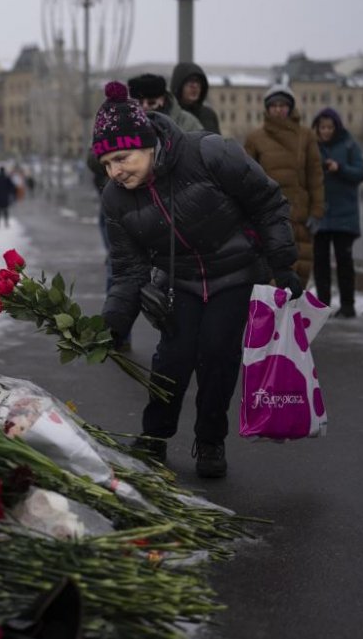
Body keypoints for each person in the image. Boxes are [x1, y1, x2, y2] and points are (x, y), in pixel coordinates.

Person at [94, 81, 300, 478]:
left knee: (217, 355)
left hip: (235, 272)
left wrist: (283, 263)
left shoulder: (208, 152)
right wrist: (112, 324)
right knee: (172, 358)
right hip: (180, 280)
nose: (114, 172)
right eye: (106, 164)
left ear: (148, 144)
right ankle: (154, 436)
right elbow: (129, 269)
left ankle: (209, 441)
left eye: (121, 158)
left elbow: (267, 201)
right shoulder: (115, 198)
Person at [244, 83, 324, 288]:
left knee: (299, 275)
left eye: (283, 105)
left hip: (299, 216)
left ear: (290, 108)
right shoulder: (255, 138)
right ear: (267, 108)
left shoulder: (306, 136)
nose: (279, 109)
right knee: (270, 277)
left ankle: (294, 308)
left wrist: (317, 211)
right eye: (274, 105)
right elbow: (245, 179)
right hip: (267, 217)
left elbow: (315, 175)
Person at [311, 107, 363, 317]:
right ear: (317, 128)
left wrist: (340, 168)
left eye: (330, 127)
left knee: (344, 261)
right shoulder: (312, 146)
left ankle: (347, 305)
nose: (326, 131)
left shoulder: (349, 145)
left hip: (345, 214)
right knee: (320, 262)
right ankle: (322, 305)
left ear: (336, 128)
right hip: (320, 213)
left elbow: (361, 172)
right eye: (322, 127)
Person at [128, 72, 204, 133]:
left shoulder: (188, 123)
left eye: (151, 103)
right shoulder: (124, 122)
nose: (144, 107)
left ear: (162, 100)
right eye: (139, 103)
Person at [172, 62, 221, 134]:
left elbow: (217, 139)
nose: (195, 87)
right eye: (190, 82)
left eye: (198, 82)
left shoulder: (208, 115)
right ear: (179, 86)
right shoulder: (171, 115)